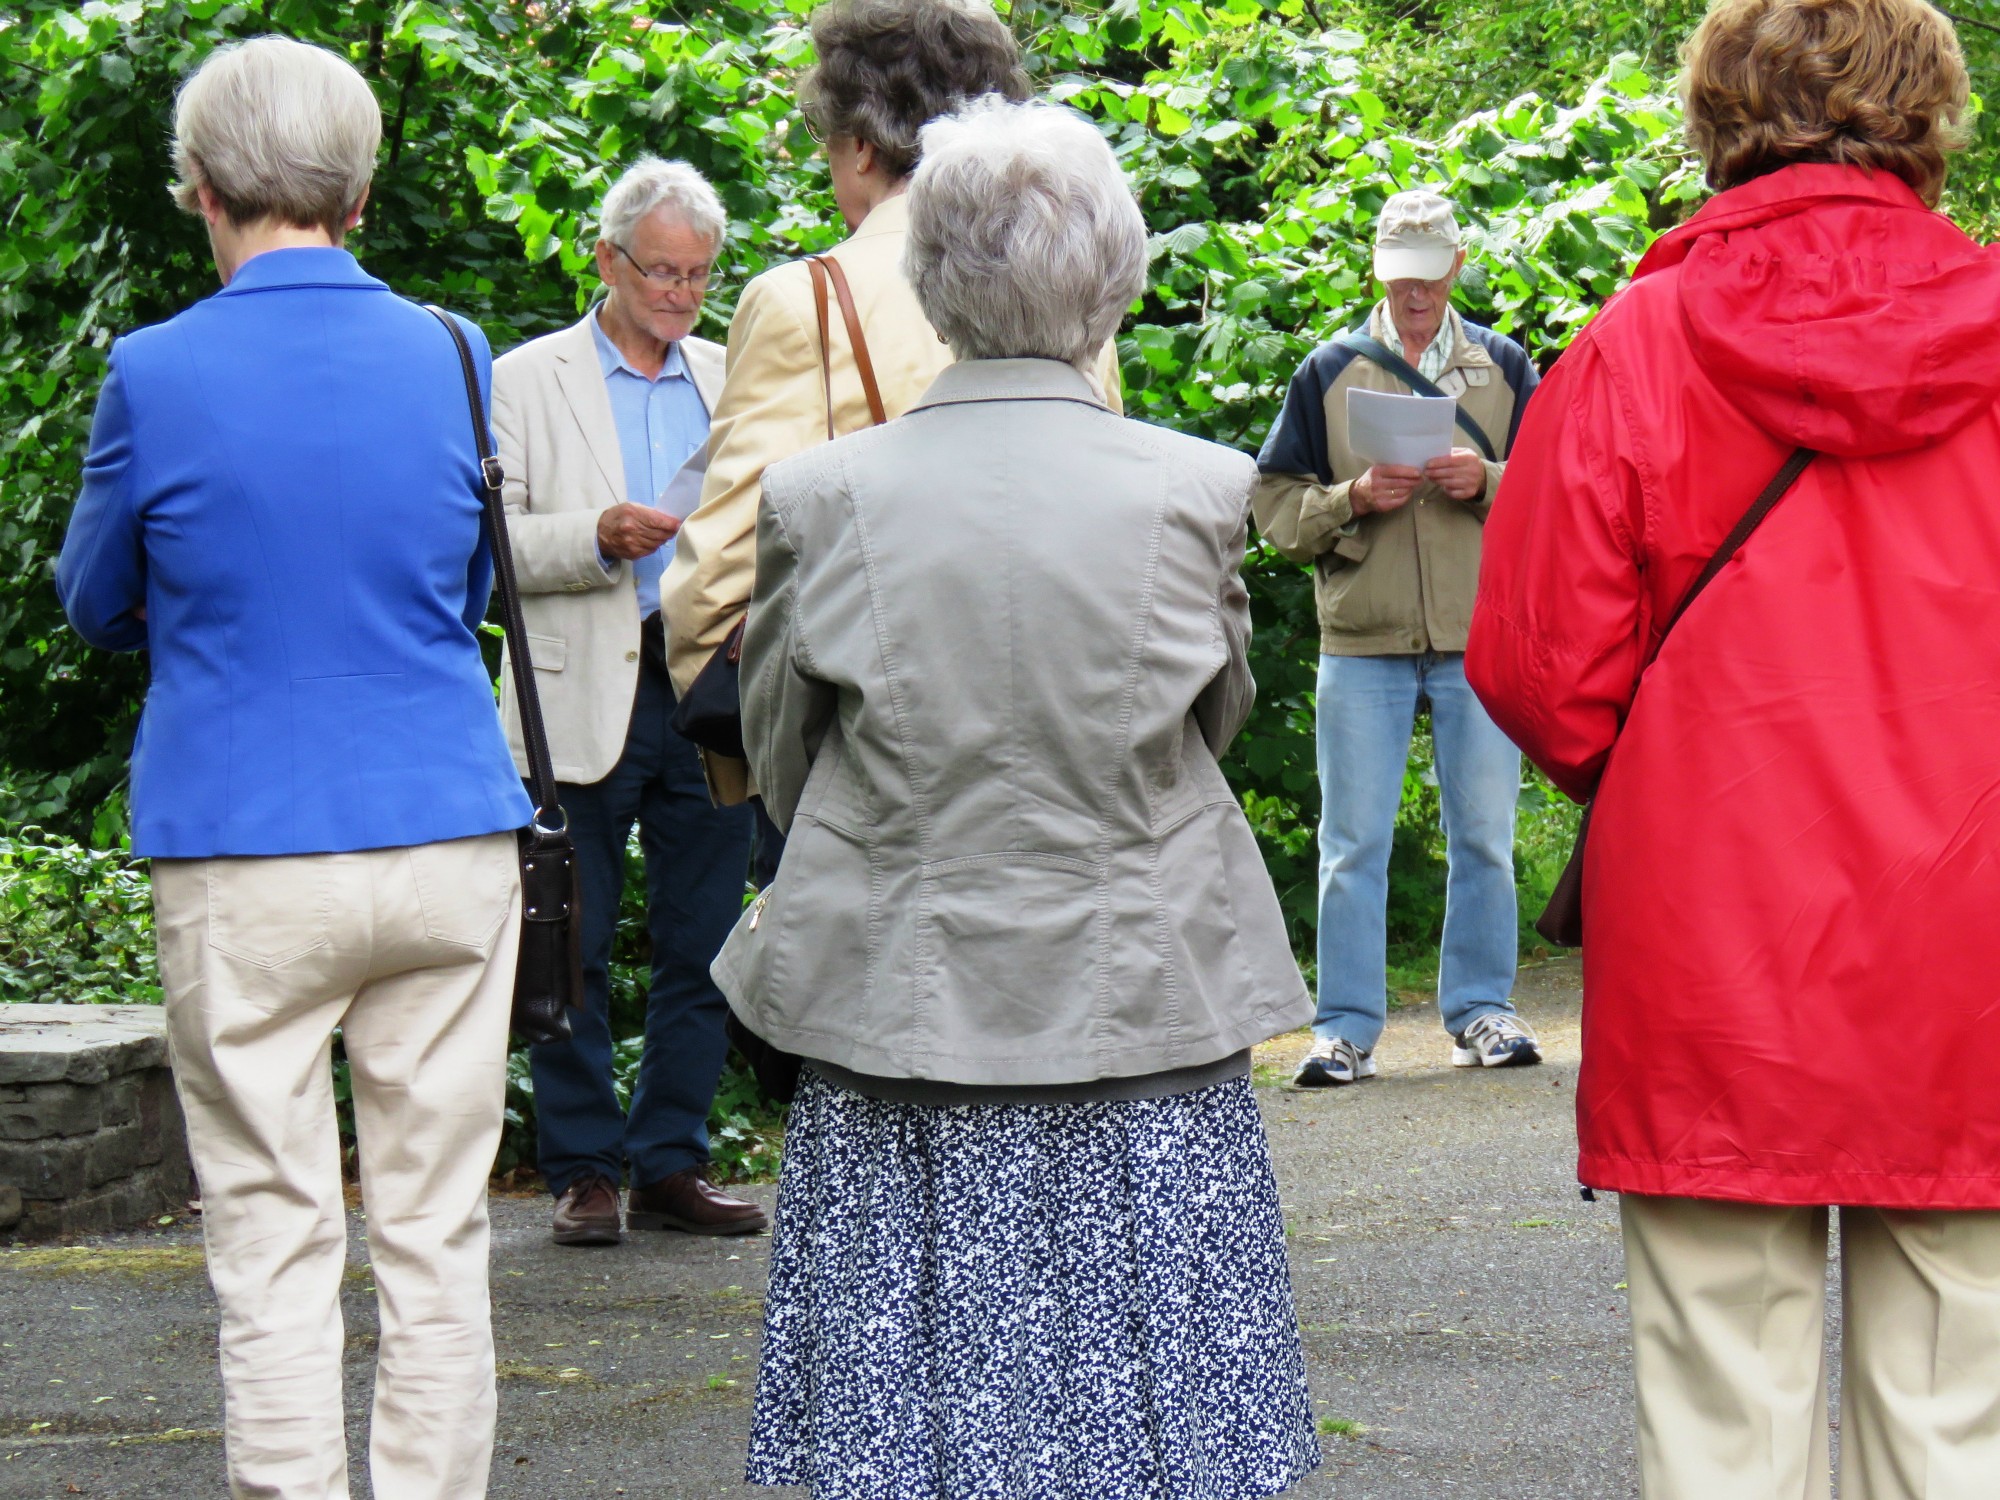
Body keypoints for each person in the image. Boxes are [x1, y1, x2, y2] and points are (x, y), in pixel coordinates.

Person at [719, 97, 1320, 1498]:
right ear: (1114, 273)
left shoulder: (819, 495)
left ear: (932, 276)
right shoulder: (1196, 489)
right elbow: (1208, 724)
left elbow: (787, 761)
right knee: (1158, 1428)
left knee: (909, 1435)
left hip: (903, 1017)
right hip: (1140, 1006)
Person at [1465, 1, 2000, 1493]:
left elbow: (1534, 663)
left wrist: (1673, 780)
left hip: (1717, 955)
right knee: (1966, 1425)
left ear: (1715, 115)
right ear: (1931, 114)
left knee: (1721, 1427)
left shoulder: (1634, 351)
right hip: (1977, 951)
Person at [55, 37, 528, 1500]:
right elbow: (459, 592)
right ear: (362, 191)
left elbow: (90, 598)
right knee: (438, 1231)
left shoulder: (154, 370)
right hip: (449, 829)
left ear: (201, 188)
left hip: (243, 842)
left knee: (270, 1228)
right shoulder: (454, 353)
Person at [661, 0, 1120, 841]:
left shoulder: (804, 302)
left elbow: (715, 588)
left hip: (868, 762)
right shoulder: (1073, 290)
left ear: (862, 146)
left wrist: (765, 776)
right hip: (1063, 747)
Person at [488, 159, 762, 1247]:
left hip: (705, 683)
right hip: (575, 684)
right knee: (571, 937)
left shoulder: (728, 370)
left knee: (704, 939)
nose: (680, 295)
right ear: (607, 261)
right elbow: (484, 544)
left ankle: (670, 1163)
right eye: (660, 272)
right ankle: (584, 1170)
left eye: (697, 276)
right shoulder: (524, 378)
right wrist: (593, 536)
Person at [1253, 191, 1542, 1088]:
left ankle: (1483, 1012)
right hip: (1363, 639)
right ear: (1379, 272)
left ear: (1456, 267)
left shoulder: (1503, 369)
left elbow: (1556, 496)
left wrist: (1489, 480)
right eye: (1399, 278)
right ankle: (1344, 1030)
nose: (1415, 295)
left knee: (1487, 836)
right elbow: (1273, 511)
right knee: (1351, 844)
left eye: (1429, 276)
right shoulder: (1331, 369)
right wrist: (1350, 502)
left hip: (1476, 634)